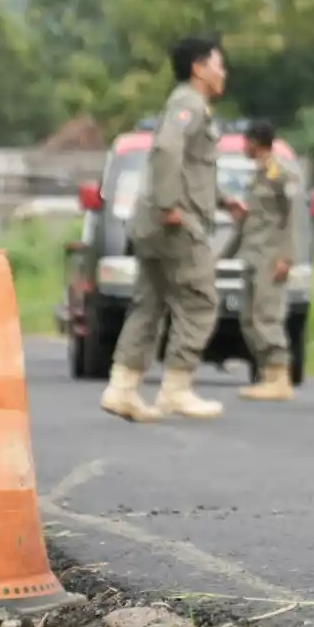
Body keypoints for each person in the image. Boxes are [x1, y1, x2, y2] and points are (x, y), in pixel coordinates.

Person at [102, 36, 242, 423]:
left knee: (150, 303)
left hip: (153, 224)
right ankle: (176, 388)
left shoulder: (188, 105)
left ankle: (122, 387)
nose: (222, 71)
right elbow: (166, 149)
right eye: (218, 63)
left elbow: (192, 167)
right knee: (200, 300)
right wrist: (170, 206)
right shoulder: (188, 103)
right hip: (174, 224)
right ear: (199, 68)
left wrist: (225, 198)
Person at [232, 120, 302, 402]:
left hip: (272, 258)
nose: (242, 147)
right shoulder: (258, 175)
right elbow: (250, 223)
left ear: (256, 142)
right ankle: (266, 374)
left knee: (267, 316)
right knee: (248, 318)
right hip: (253, 256)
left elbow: (294, 219)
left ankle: (279, 376)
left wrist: (287, 257)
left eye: (246, 141)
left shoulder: (281, 173)